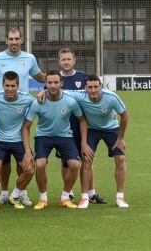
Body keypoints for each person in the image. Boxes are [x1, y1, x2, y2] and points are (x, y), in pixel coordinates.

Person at [44, 74, 129, 208]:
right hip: (92, 130)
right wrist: (44, 91)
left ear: (101, 87)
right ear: (85, 88)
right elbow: (58, 90)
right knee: (87, 159)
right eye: (90, 87)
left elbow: (124, 116)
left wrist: (121, 138)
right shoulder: (80, 95)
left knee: (120, 158)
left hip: (111, 129)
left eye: (96, 87)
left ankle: (120, 197)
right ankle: (85, 197)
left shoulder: (111, 97)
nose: (93, 90)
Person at [0, 27, 45, 206]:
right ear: (6, 41)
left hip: (22, 109)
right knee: (3, 163)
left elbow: (40, 77)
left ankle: (21, 193)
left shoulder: (29, 58)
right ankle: (2, 194)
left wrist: (54, 82)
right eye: (11, 39)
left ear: (22, 40)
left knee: (22, 164)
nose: (14, 42)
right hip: (2, 109)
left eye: (17, 39)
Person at [22, 70, 86, 210]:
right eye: (49, 82)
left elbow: (82, 120)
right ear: (45, 84)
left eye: (56, 82)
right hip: (43, 136)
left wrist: (83, 142)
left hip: (65, 136)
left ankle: (65, 197)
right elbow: (26, 127)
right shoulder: (38, 102)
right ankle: (43, 199)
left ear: (61, 84)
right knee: (40, 165)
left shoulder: (70, 101)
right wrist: (27, 151)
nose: (53, 85)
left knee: (75, 165)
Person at [58, 47, 103, 203]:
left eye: (69, 59)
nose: (66, 62)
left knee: (87, 160)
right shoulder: (55, 79)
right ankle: (68, 193)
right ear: (59, 61)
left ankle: (91, 194)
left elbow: (97, 97)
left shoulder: (84, 78)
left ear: (74, 60)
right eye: (63, 59)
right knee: (66, 163)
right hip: (64, 128)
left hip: (84, 127)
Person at [0, 71, 36, 210]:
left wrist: (43, 93)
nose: (9, 89)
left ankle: (15, 195)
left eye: (13, 86)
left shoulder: (27, 99)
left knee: (30, 169)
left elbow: (41, 100)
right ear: (2, 85)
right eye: (7, 85)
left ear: (18, 85)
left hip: (18, 140)